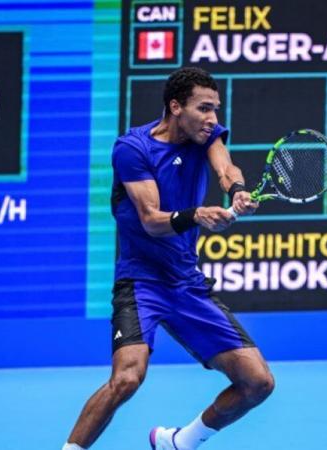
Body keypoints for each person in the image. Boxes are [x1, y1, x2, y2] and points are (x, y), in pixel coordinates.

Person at [62, 67, 275, 450]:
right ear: (176, 106)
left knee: (258, 383)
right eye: (204, 108)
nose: (212, 118)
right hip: (141, 282)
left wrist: (237, 191)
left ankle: (179, 442)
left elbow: (225, 168)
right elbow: (151, 220)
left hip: (186, 285)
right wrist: (197, 214)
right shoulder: (133, 149)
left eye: (216, 109)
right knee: (127, 378)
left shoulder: (206, 136)